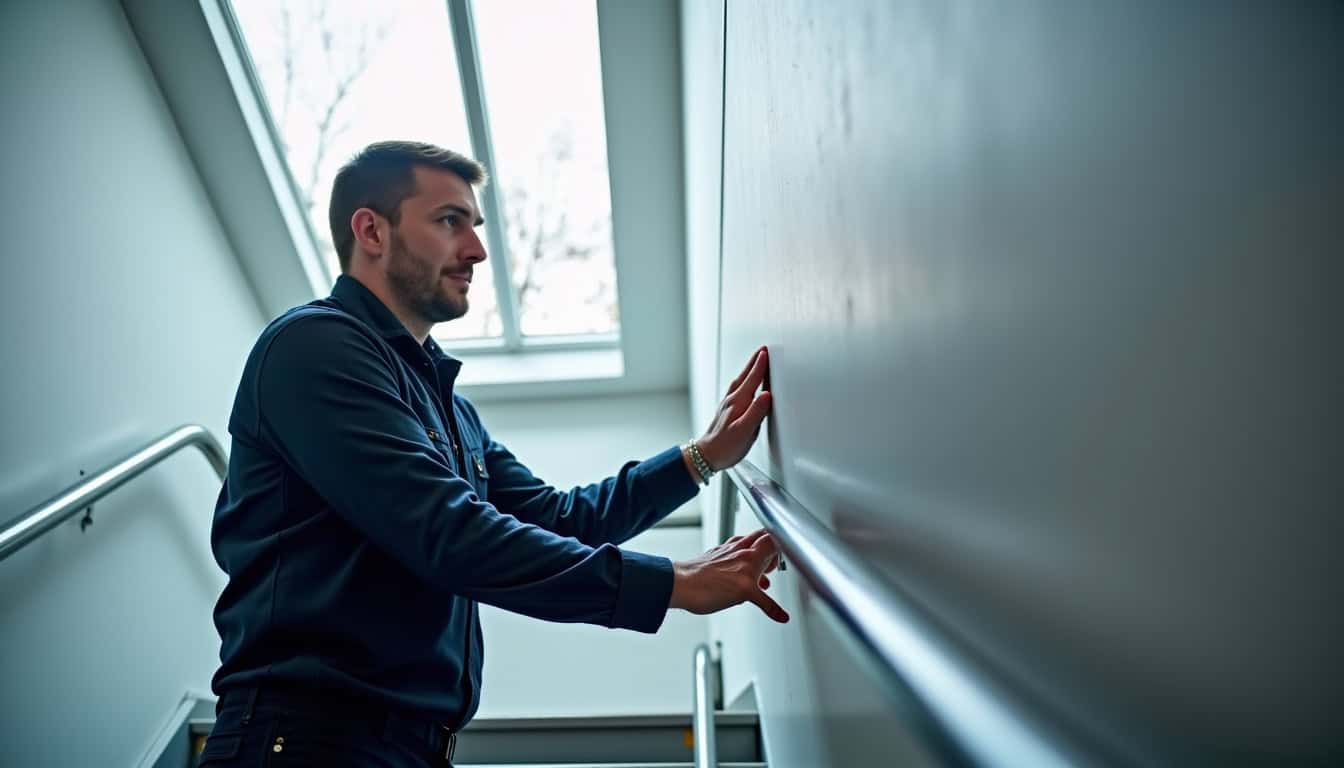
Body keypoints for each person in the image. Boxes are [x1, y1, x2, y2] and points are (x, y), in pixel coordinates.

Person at [199, 140, 786, 767]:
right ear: (371, 230)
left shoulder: (454, 411)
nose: (477, 250)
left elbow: (561, 519)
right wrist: (671, 583)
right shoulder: (313, 349)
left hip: (414, 749)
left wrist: (701, 457)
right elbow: (450, 535)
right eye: (450, 221)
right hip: (305, 744)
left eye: (474, 227)